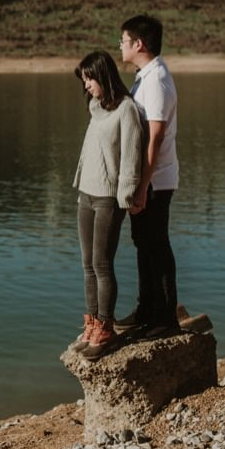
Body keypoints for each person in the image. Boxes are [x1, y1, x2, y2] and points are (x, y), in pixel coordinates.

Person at [70, 50, 144, 360]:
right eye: (84, 80)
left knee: (102, 264)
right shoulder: (95, 107)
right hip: (85, 194)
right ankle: (92, 322)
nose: (87, 85)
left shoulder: (126, 109)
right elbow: (91, 152)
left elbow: (131, 157)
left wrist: (126, 197)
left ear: (104, 76)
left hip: (108, 199)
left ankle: (106, 328)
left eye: (90, 79)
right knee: (88, 264)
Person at [116, 14, 181, 338]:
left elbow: (155, 136)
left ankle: (166, 318)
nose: (120, 46)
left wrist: (143, 186)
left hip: (156, 179)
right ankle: (147, 309)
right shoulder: (146, 76)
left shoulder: (156, 80)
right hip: (149, 178)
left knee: (156, 245)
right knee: (144, 244)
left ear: (138, 44)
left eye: (124, 41)